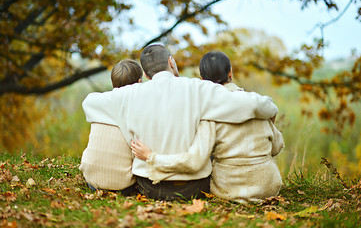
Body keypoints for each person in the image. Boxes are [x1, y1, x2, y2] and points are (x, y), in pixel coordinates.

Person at [82, 44, 279, 200]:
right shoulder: (198, 88)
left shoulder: (129, 94)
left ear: (146, 74)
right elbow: (251, 105)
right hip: (193, 187)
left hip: (149, 186)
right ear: (171, 61)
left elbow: (90, 103)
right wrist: (271, 109)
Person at [131, 51, 284, 203]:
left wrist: (152, 157)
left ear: (203, 79)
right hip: (268, 186)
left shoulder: (209, 114)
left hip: (230, 189)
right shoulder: (257, 105)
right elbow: (277, 146)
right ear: (230, 72)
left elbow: (194, 161)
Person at [79, 59, 143, 195]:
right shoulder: (137, 109)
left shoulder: (96, 103)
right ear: (139, 83)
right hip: (123, 185)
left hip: (91, 179)